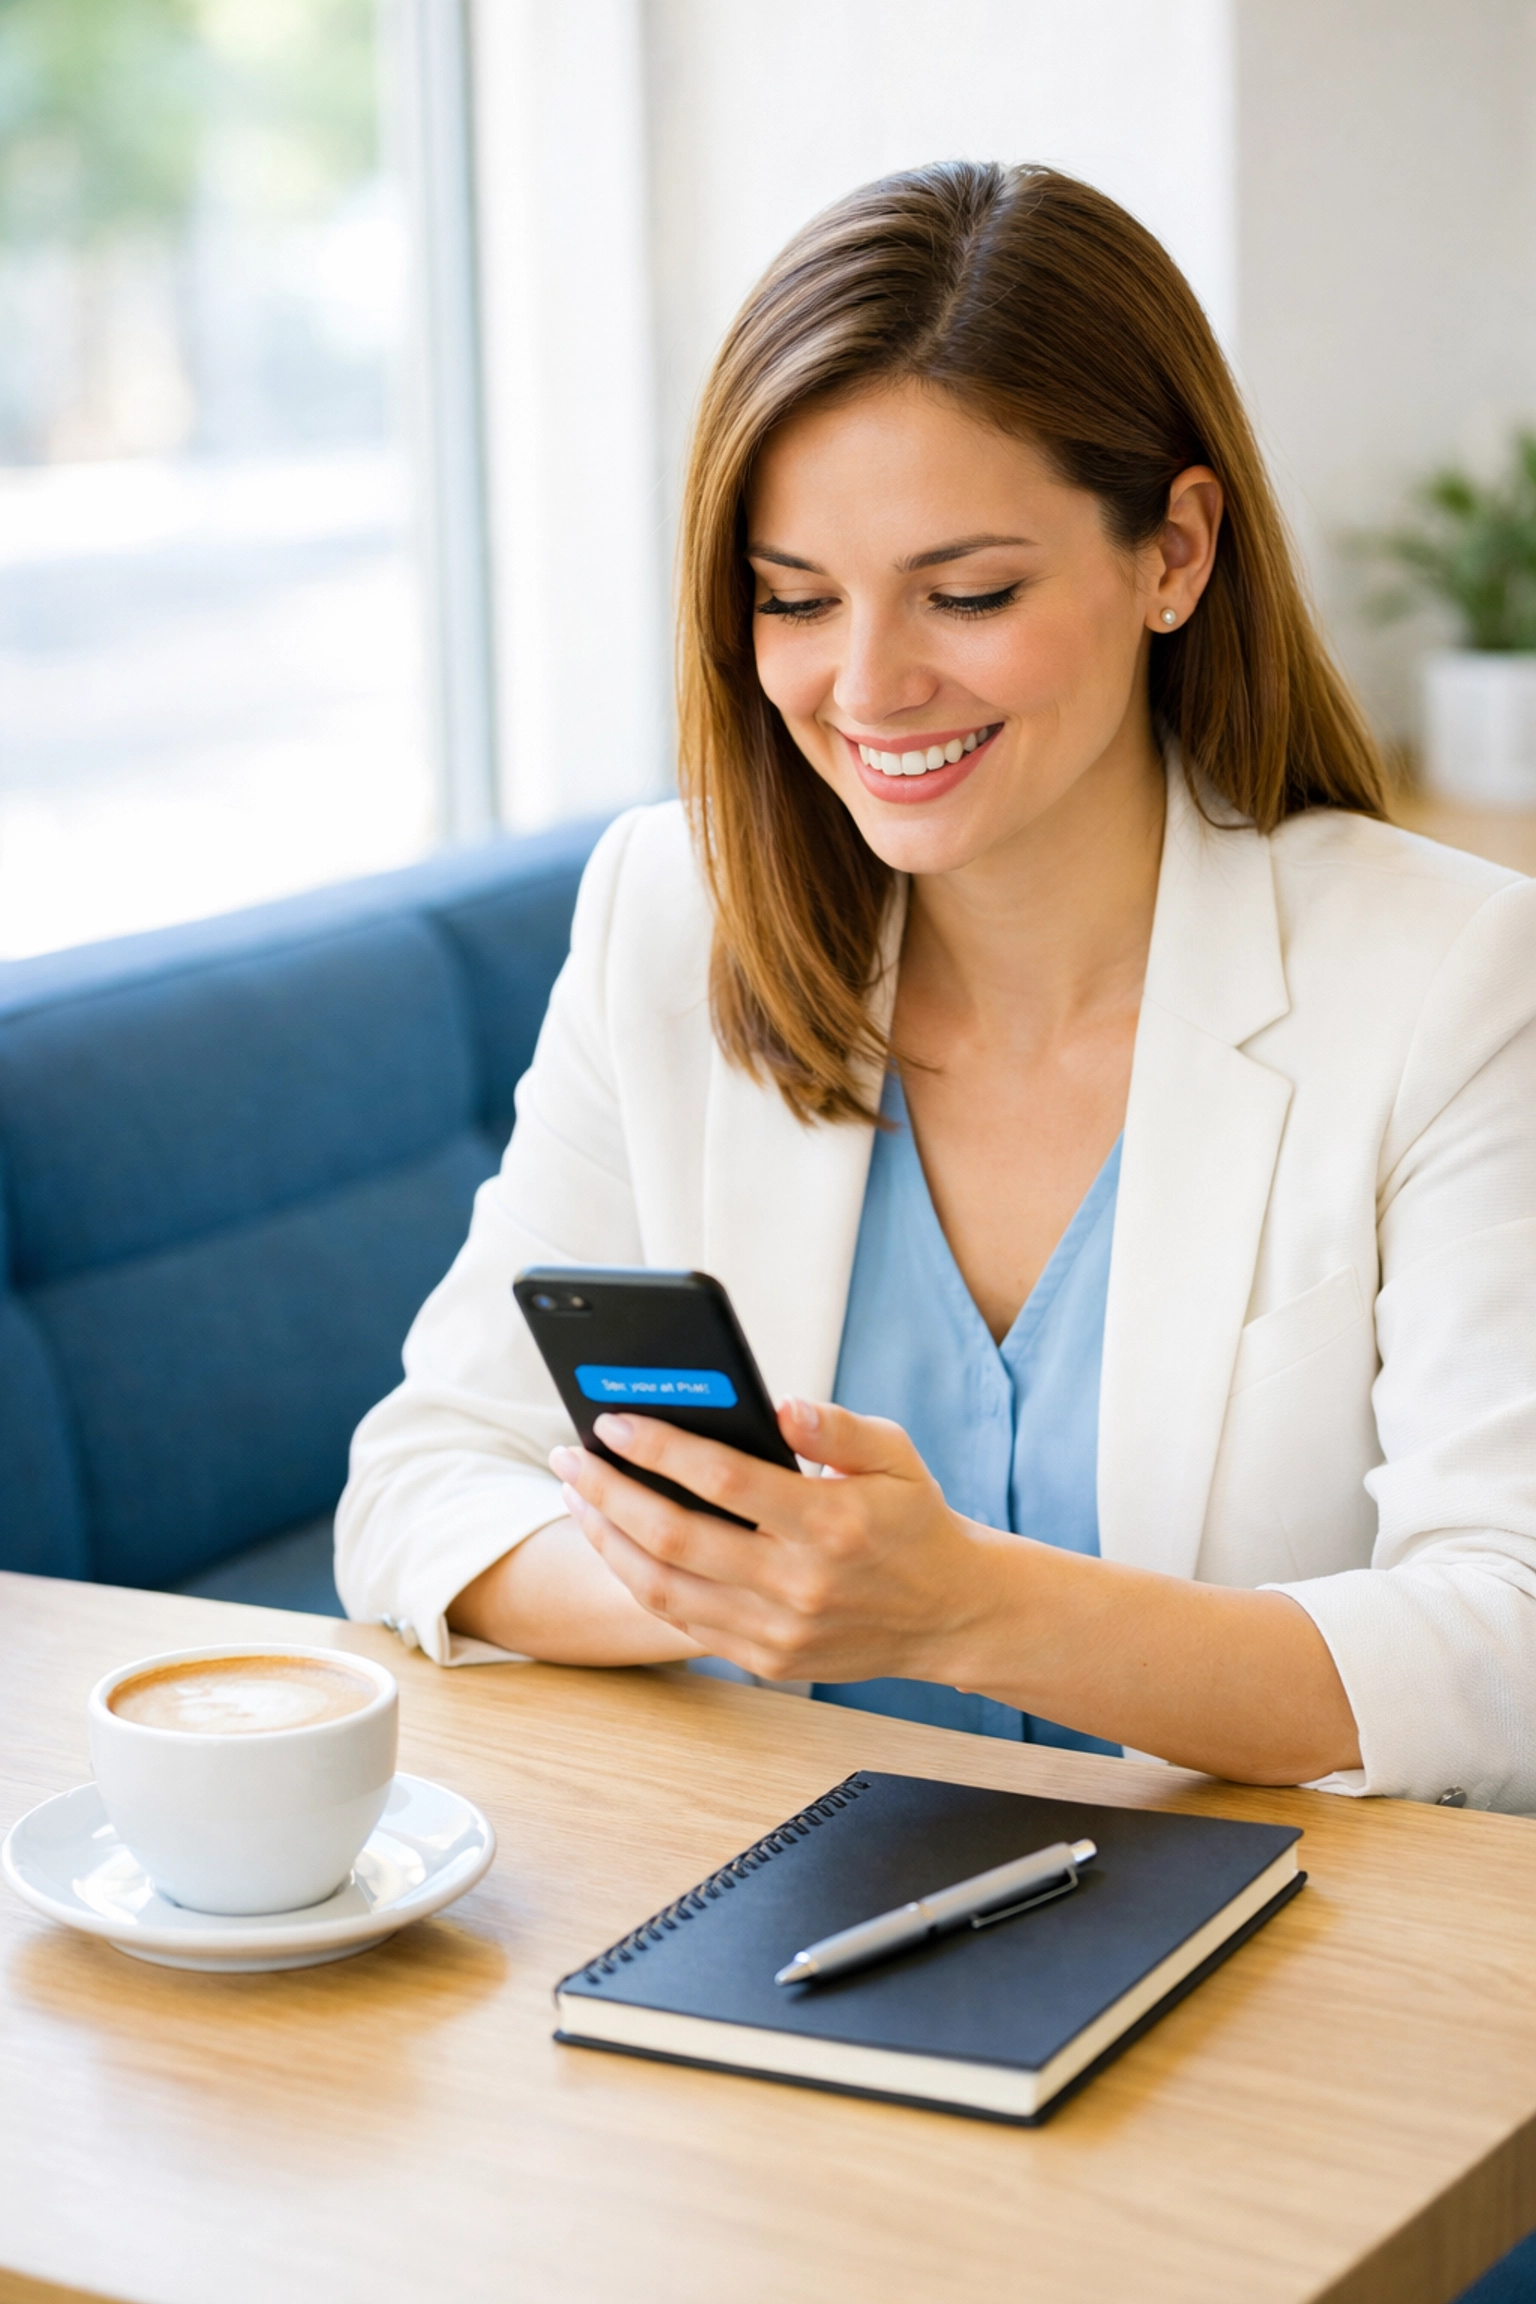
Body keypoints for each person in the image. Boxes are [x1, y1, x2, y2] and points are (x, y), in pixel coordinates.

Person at [335, 162, 1536, 1810]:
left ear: (1172, 552)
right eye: (794, 600)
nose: (870, 685)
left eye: (968, 594)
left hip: (1280, 1967)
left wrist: (962, 1610)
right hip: (782, 1913)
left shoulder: (1452, 977)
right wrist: (755, 1577)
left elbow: (1506, 1643)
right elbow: (418, 1488)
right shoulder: (670, 917)